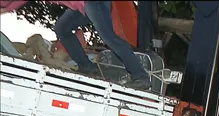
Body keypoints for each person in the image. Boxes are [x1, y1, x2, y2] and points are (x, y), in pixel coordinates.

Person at [0, 1, 152, 90]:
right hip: (82, 6)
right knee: (62, 28)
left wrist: (5, 8)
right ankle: (87, 67)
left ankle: (141, 76)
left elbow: (11, 3)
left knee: (110, 38)